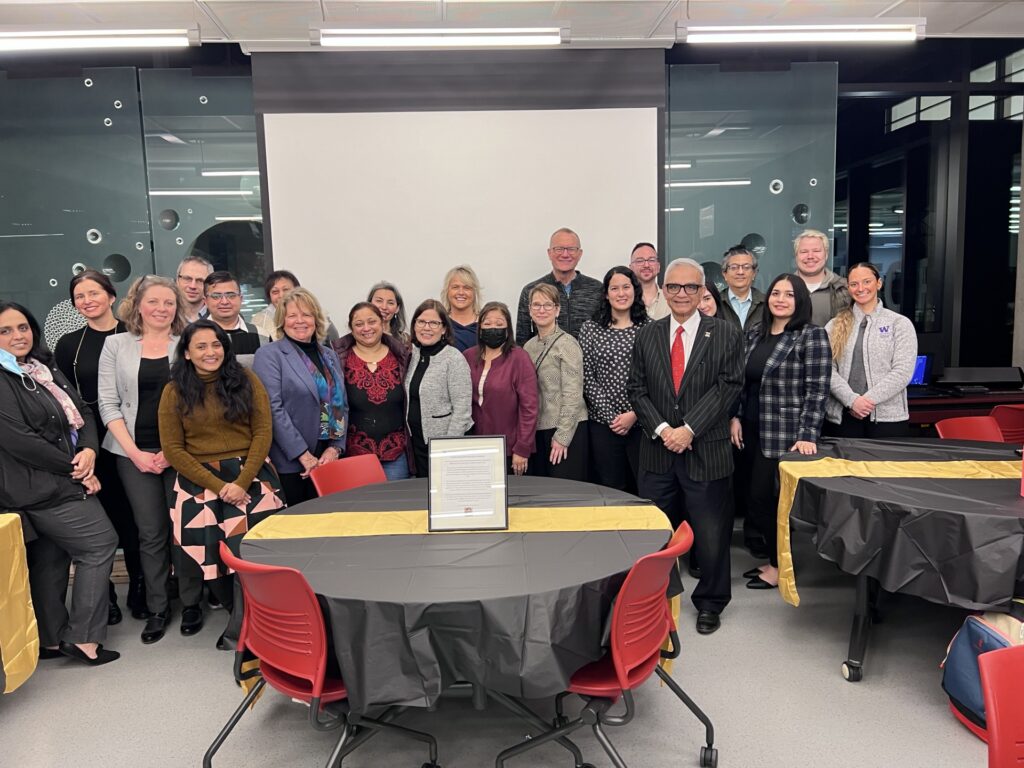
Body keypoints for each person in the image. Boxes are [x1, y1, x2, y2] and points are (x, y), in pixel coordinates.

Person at [0, 301, 120, 666]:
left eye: (22, 327)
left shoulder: (40, 366)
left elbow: (81, 409)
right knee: (100, 545)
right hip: (40, 486)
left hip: (59, 475)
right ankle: (83, 638)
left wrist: (88, 450)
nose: (18, 336)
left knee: (52, 558)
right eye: (5, 331)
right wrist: (77, 467)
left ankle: (51, 639)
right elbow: (19, 440)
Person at [627, 258, 742, 636]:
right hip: (657, 453)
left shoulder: (724, 333)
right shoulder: (647, 334)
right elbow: (637, 390)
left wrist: (689, 429)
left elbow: (728, 386)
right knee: (656, 536)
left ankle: (710, 602)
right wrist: (664, 430)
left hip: (706, 451)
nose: (681, 294)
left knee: (711, 535)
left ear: (702, 291)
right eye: (673, 287)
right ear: (663, 290)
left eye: (690, 287)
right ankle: (654, 600)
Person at [159, 320, 284, 644]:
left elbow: (262, 432)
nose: (210, 352)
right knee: (207, 553)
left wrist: (241, 482)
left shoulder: (246, 380)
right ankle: (239, 620)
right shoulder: (174, 391)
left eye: (216, 345)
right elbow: (173, 449)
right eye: (201, 346)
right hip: (198, 479)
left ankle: (258, 625)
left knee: (253, 554)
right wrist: (217, 486)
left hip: (250, 475)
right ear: (187, 353)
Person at [97, 275, 185, 644]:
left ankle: (192, 602)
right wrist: (135, 453)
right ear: (138, 305)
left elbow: (195, 404)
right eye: (154, 302)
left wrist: (171, 452)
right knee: (150, 533)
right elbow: (108, 402)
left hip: (179, 454)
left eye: (169, 303)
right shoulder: (115, 344)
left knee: (183, 530)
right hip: (131, 454)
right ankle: (158, 607)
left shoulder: (186, 345)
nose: (161, 309)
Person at [729, 274, 830, 590]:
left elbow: (817, 390)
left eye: (789, 294)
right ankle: (773, 559)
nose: (781, 299)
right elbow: (744, 385)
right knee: (753, 500)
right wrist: (735, 417)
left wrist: (808, 434)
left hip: (785, 435)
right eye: (776, 293)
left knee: (767, 500)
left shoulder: (810, 336)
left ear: (800, 301)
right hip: (750, 431)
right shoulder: (756, 334)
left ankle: (779, 568)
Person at [53, 270, 142, 624]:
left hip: (131, 442)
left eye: (94, 293)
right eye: (80, 296)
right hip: (90, 447)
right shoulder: (68, 344)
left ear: (111, 295)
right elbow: (64, 400)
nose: (87, 300)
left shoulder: (133, 335)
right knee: (98, 522)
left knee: (134, 519)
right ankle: (104, 596)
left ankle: (140, 587)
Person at [253, 288, 348, 504]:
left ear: (316, 319)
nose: (300, 321)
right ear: (281, 321)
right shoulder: (269, 355)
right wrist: (304, 456)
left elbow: (340, 404)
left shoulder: (329, 356)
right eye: (292, 315)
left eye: (306, 314)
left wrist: (335, 448)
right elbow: (273, 409)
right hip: (292, 462)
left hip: (327, 459)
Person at [824, 263, 918, 438]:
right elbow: (827, 369)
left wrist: (866, 402)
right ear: (848, 287)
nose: (861, 288)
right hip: (842, 418)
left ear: (879, 283)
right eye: (854, 284)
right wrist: (852, 401)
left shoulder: (899, 324)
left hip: (887, 420)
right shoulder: (834, 325)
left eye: (867, 281)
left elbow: (903, 372)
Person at [579, 266, 649, 492]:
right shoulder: (591, 328)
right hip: (603, 424)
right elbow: (587, 376)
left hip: (642, 423)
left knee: (643, 486)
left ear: (635, 291)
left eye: (626, 287)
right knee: (610, 487)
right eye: (614, 288)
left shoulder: (649, 328)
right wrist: (612, 418)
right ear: (606, 294)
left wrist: (634, 413)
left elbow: (656, 377)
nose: (621, 293)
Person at [332, 303, 411, 481]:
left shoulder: (402, 355)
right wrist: (333, 446)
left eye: (371, 322)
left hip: (396, 452)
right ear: (351, 329)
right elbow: (332, 406)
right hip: (354, 454)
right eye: (359, 324)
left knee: (395, 506)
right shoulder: (337, 358)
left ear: (382, 324)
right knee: (361, 507)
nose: (366, 328)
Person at [522, 284, 588, 481]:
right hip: (539, 430)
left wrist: (562, 437)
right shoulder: (528, 347)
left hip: (567, 429)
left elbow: (573, 394)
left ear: (557, 310)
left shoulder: (567, 344)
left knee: (565, 493)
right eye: (536, 305)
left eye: (548, 305)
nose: (542, 310)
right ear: (530, 310)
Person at [465, 302, 538, 475]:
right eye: (487, 323)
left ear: (508, 329)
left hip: (510, 449)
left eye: (499, 324)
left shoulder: (519, 357)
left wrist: (522, 448)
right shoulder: (467, 356)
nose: (493, 328)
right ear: (479, 327)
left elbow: (530, 407)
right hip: (475, 447)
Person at [405, 300, 473, 477]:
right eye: (421, 322)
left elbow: (462, 410)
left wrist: (448, 448)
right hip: (415, 443)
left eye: (434, 323)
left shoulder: (453, 358)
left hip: (442, 446)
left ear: (444, 328)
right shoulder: (411, 355)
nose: (426, 328)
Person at [515, 227, 604, 345]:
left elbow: (606, 334)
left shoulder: (597, 289)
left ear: (580, 254)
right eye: (559, 249)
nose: (565, 254)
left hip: (588, 363)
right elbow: (522, 342)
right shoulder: (530, 291)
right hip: (544, 363)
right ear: (549, 253)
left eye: (571, 249)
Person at [250, 269, 340, 342]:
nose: (281, 295)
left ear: (297, 290)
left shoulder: (319, 315)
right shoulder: (260, 321)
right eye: (275, 292)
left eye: (286, 289)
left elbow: (335, 346)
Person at [793, 229, 851, 327]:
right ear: (796, 256)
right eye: (804, 251)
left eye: (816, 251)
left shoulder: (845, 289)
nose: (810, 256)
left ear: (826, 254)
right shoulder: (782, 289)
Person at [203, 270, 265, 356]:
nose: (224, 302)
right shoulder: (193, 336)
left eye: (231, 295)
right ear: (205, 301)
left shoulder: (262, 335)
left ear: (241, 298)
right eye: (216, 296)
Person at [716, 245, 765, 333]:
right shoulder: (715, 303)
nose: (740, 272)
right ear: (724, 274)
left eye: (746, 267)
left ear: (754, 273)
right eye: (734, 267)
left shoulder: (766, 303)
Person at [441, 265, 482, 352]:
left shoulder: (486, 324)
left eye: (467, 288)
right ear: (447, 291)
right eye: (455, 287)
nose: (461, 292)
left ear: (475, 292)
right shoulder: (439, 323)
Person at [629, 242, 670, 320]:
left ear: (658, 267)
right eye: (640, 261)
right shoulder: (624, 300)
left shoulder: (670, 299)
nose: (646, 265)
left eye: (651, 260)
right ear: (631, 268)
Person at [368, 281, 409, 345]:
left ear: (397, 308)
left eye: (390, 303)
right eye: (379, 301)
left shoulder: (405, 340)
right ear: (369, 304)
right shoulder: (358, 336)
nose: (384, 307)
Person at [176, 255, 214, 323]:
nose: (192, 286)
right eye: (187, 279)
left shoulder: (219, 316)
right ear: (177, 280)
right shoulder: (166, 315)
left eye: (200, 281)